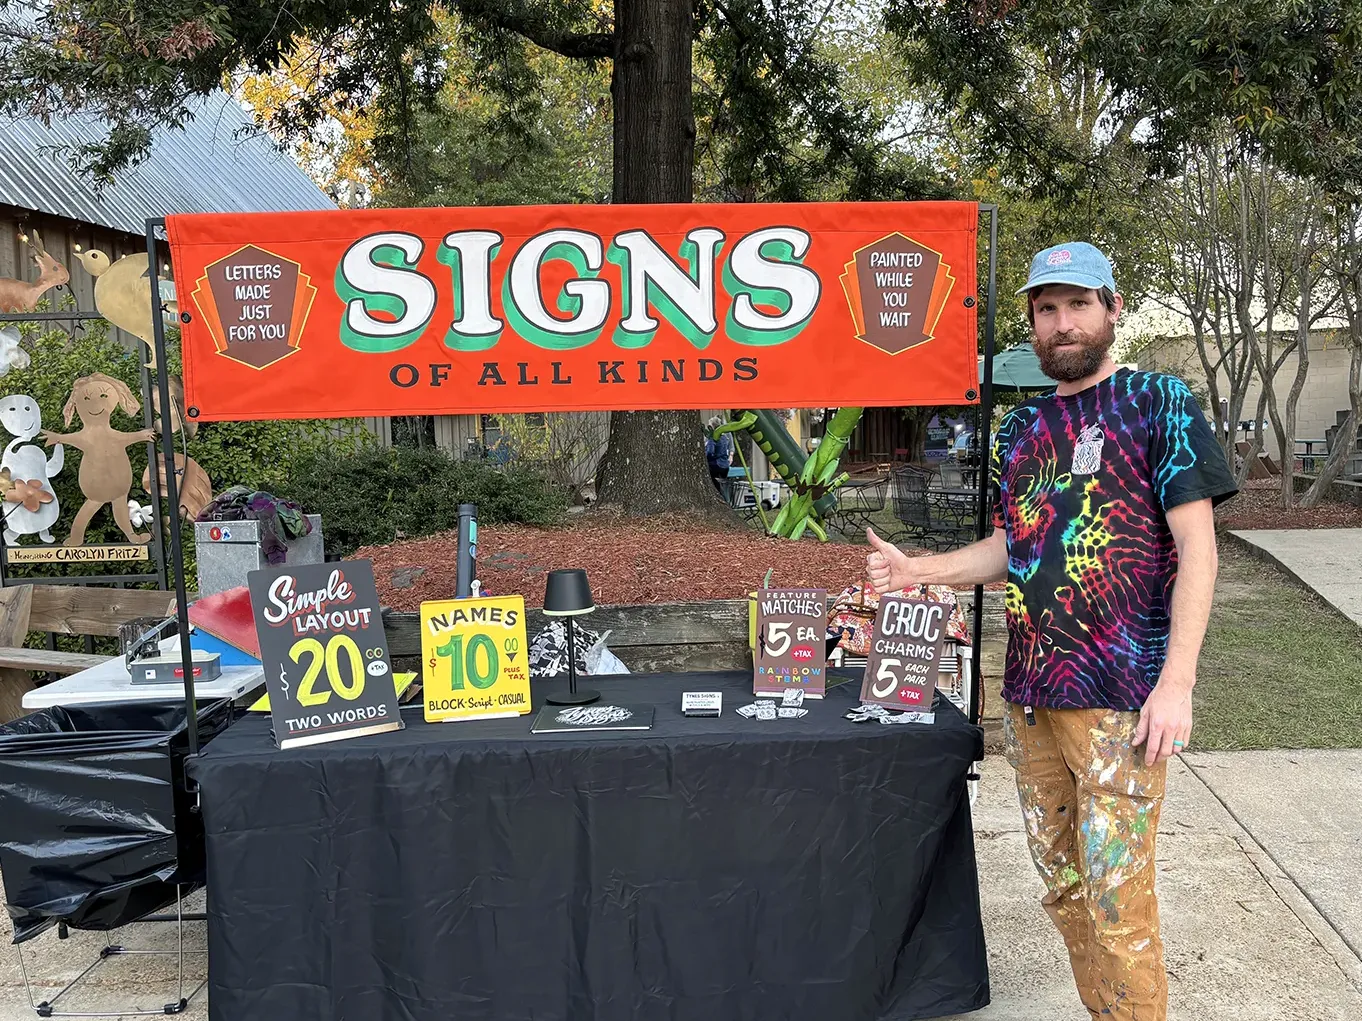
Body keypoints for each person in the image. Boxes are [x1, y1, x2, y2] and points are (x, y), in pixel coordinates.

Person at [865, 241, 1237, 1021]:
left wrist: (1178, 682)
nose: (1062, 323)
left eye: (1076, 304)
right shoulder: (1023, 429)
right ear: (1033, 323)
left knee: (1118, 902)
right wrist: (917, 572)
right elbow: (1017, 546)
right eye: (1046, 309)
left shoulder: (1156, 402)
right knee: (1066, 888)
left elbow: (1198, 550)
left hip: (1122, 705)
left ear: (1112, 309)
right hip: (1030, 699)